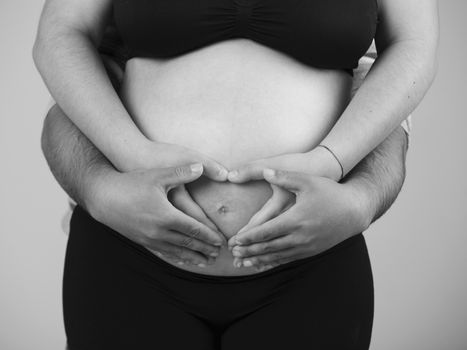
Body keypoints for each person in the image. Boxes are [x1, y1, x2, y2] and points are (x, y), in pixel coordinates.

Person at [34, 0, 439, 349]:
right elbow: (61, 33)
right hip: (130, 254)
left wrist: (330, 161)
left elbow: (413, 44)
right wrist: (133, 155)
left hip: (308, 261)